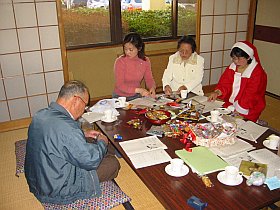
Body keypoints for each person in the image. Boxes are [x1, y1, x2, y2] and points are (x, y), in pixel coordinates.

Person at [24, 80, 120, 205]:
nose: (84, 110)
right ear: (76, 101)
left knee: (92, 141)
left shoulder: (41, 114)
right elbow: (90, 161)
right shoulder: (67, 128)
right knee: (112, 164)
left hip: (39, 178)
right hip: (58, 187)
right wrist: (102, 142)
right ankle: (108, 151)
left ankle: (106, 149)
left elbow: (55, 136)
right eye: (85, 105)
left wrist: (83, 133)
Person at [208, 41, 267, 122]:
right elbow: (225, 83)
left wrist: (239, 109)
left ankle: (256, 121)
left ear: (248, 57)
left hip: (249, 107)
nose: (236, 61)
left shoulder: (257, 73)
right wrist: (217, 92)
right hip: (231, 103)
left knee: (242, 125)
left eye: (239, 58)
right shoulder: (232, 67)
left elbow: (251, 95)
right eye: (234, 58)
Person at [113, 32, 156, 101]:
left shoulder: (145, 61)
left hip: (136, 95)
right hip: (120, 97)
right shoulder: (120, 61)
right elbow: (120, 85)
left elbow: (149, 79)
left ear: (139, 48)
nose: (127, 52)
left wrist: (152, 88)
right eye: (125, 49)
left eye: (131, 50)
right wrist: (139, 90)